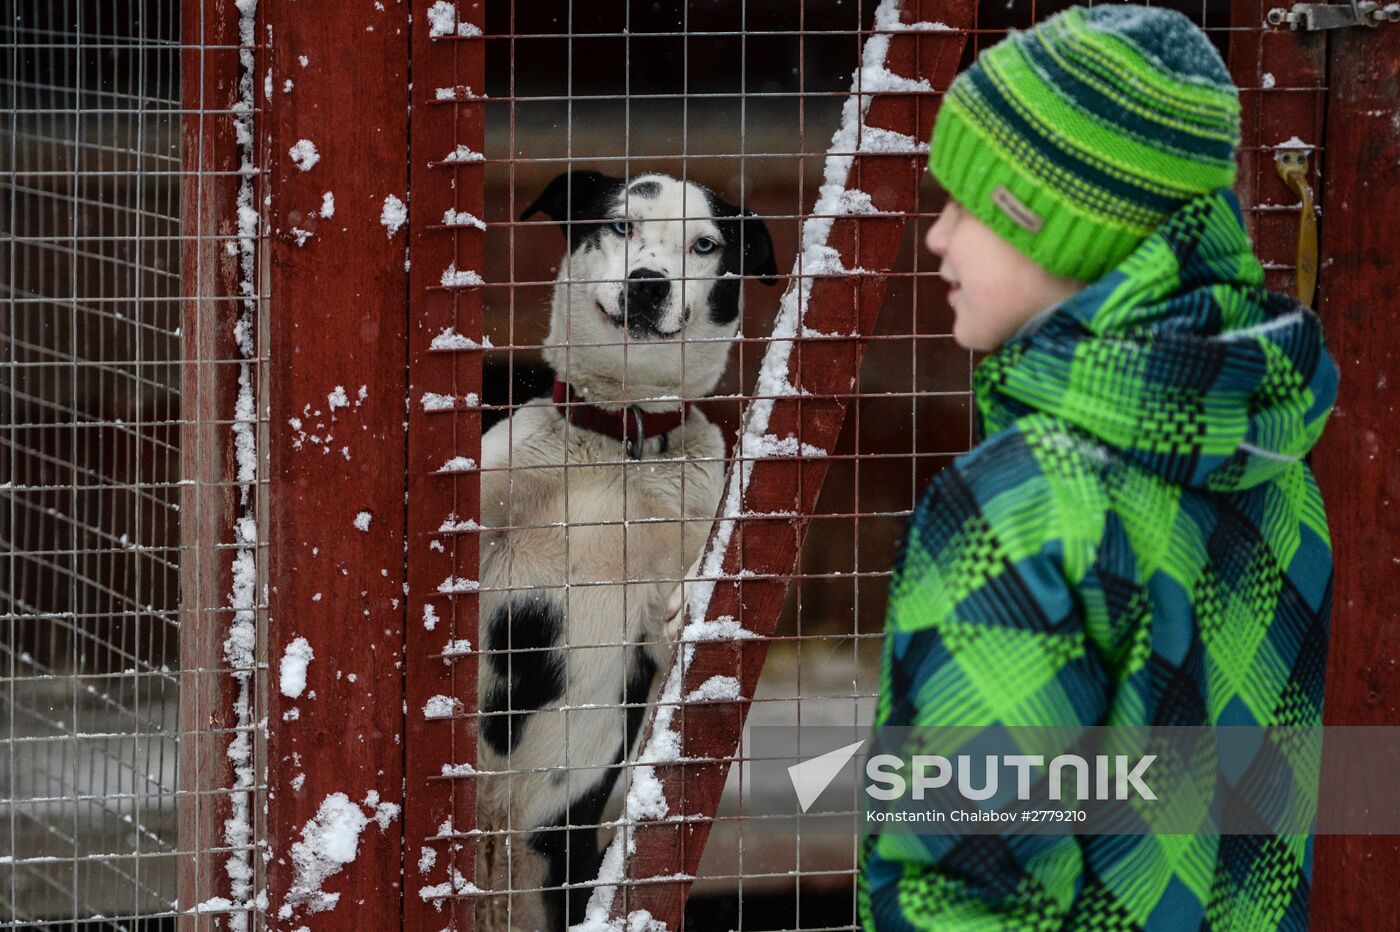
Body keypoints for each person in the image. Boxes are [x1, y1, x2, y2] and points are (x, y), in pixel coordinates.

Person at [858, 5, 1339, 929]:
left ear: (1063, 226)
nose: (938, 238)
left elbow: (964, 884)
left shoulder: (1021, 503)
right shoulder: (1270, 463)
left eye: (968, 204)